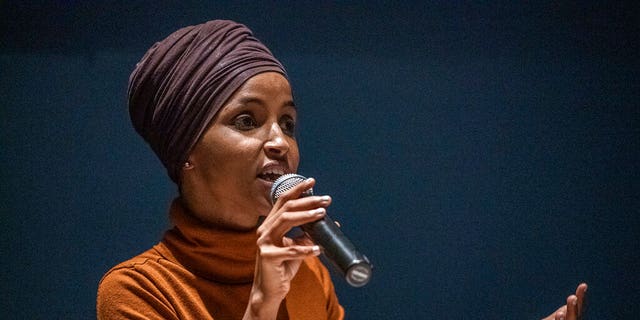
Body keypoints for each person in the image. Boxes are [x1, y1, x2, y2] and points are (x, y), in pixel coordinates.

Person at [96, 20, 587, 320]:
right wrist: (263, 303)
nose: (278, 142)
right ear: (188, 149)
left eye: (287, 123)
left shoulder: (308, 269)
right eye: (247, 120)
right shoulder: (137, 292)